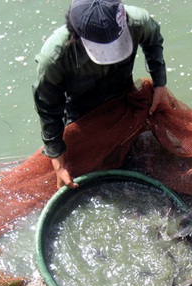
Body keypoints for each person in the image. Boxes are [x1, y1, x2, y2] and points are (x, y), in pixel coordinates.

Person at [33, 0, 169, 189]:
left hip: (123, 97)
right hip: (81, 112)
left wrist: (160, 84)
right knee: (82, 173)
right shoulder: (54, 56)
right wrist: (58, 160)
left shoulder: (137, 21)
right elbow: (48, 107)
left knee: (139, 158)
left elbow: (153, 41)